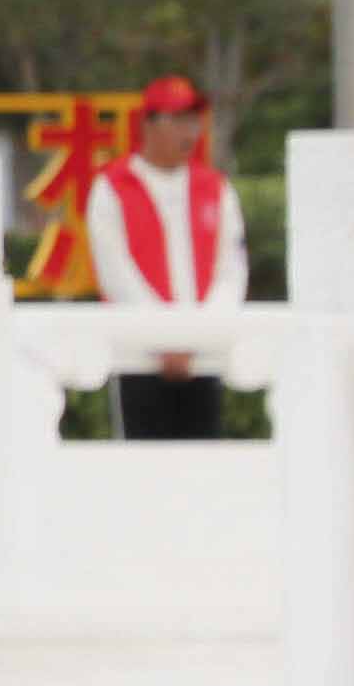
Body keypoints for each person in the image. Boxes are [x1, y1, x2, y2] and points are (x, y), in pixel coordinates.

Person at [87, 73, 250, 440]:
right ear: (147, 125)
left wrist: (199, 335)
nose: (188, 132)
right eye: (177, 120)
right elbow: (116, 275)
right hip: (139, 357)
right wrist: (163, 337)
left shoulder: (216, 189)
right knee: (142, 463)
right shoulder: (112, 188)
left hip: (203, 357)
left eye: (193, 120)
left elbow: (232, 270)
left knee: (205, 462)